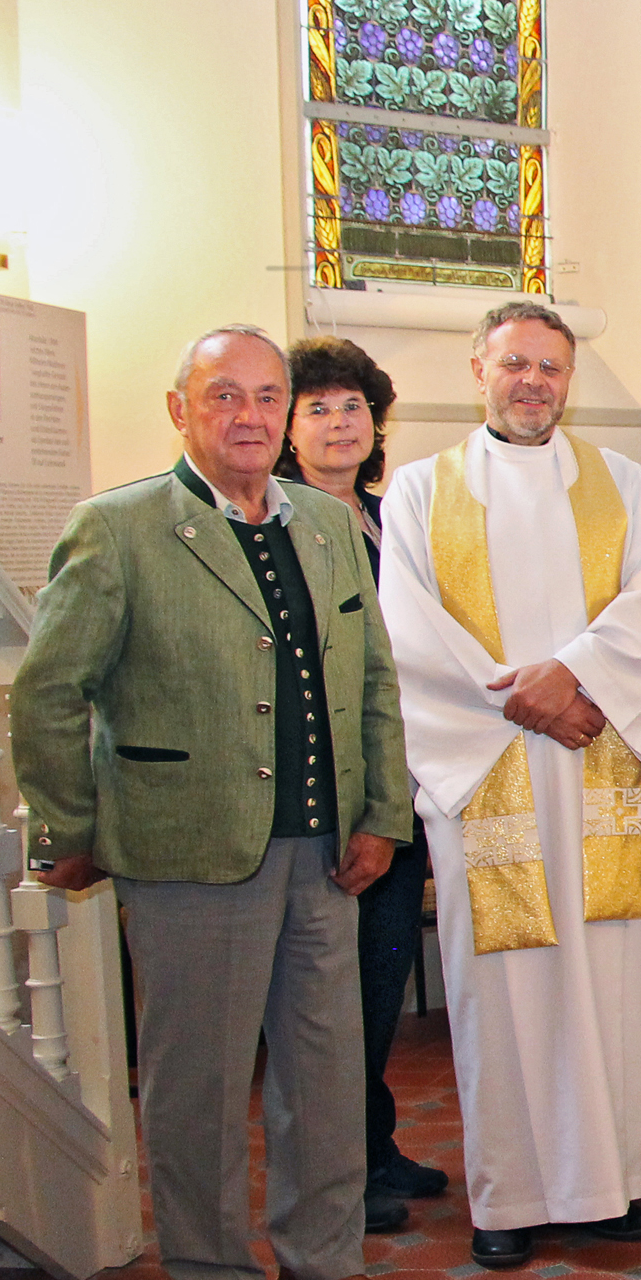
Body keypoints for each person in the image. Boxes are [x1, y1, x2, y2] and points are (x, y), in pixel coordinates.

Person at [12, 325, 418, 1280]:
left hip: (322, 848)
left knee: (324, 1071)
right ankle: (215, 1277)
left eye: (265, 396)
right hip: (187, 850)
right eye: (224, 395)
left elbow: (371, 678)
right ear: (180, 408)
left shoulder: (328, 525)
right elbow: (52, 690)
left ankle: (325, 1260)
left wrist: (380, 813)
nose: (248, 415)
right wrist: (71, 824)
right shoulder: (120, 528)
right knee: (198, 1079)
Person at [380, 302, 641, 1271]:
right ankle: (509, 1194)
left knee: (610, 979)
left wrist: (577, 674)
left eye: (550, 368)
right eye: (515, 363)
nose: (532, 383)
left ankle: (613, 1184)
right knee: (503, 991)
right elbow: (412, 637)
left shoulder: (627, 488)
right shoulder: (422, 495)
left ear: (569, 380)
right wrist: (537, 701)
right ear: (479, 367)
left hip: (599, 771)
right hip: (493, 779)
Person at [275, 334, 437, 1234]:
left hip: (402, 785)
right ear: (289, 429)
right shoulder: (275, 521)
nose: (340, 424)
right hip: (323, 794)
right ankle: (338, 1172)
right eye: (319, 409)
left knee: (378, 981)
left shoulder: (392, 516)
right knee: (325, 1001)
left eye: (353, 408)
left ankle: (373, 1146)